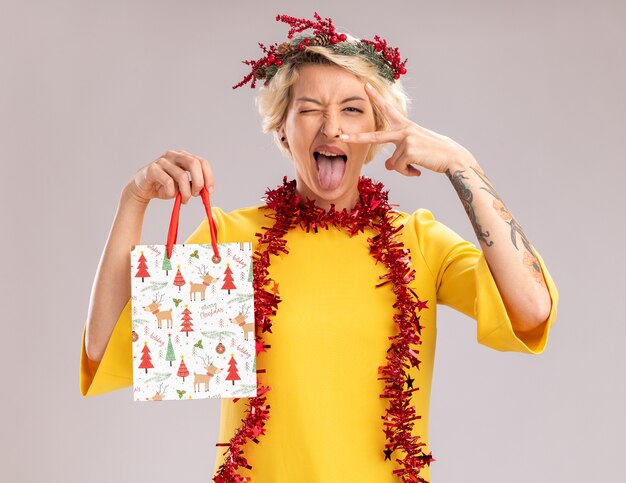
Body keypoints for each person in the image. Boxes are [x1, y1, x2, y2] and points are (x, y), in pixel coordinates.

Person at [79, 12, 559, 483]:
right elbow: (105, 347)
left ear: (379, 132)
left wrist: (462, 165)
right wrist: (134, 198)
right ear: (282, 128)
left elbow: (532, 308)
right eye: (310, 109)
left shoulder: (419, 241)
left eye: (352, 109)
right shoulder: (235, 239)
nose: (331, 129)